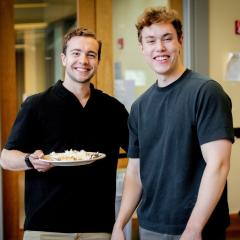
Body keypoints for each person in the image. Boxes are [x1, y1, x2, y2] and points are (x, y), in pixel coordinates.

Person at [111, 6, 234, 240]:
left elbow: (218, 164)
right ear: (142, 48)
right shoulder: (139, 107)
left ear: (180, 41)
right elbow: (135, 173)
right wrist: (120, 223)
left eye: (167, 38)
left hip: (198, 227)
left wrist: (194, 228)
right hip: (151, 225)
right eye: (151, 41)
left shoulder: (206, 92)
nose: (160, 48)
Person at [0, 27, 129, 240]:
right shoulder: (37, 104)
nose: (83, 60)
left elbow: (138, 155)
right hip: (45, 227)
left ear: (98, 61)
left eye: (91, 54)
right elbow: (5, 158)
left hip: (97, 228)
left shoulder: (113, 109)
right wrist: (30, 161)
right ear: (63, 58)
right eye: (76, 53)